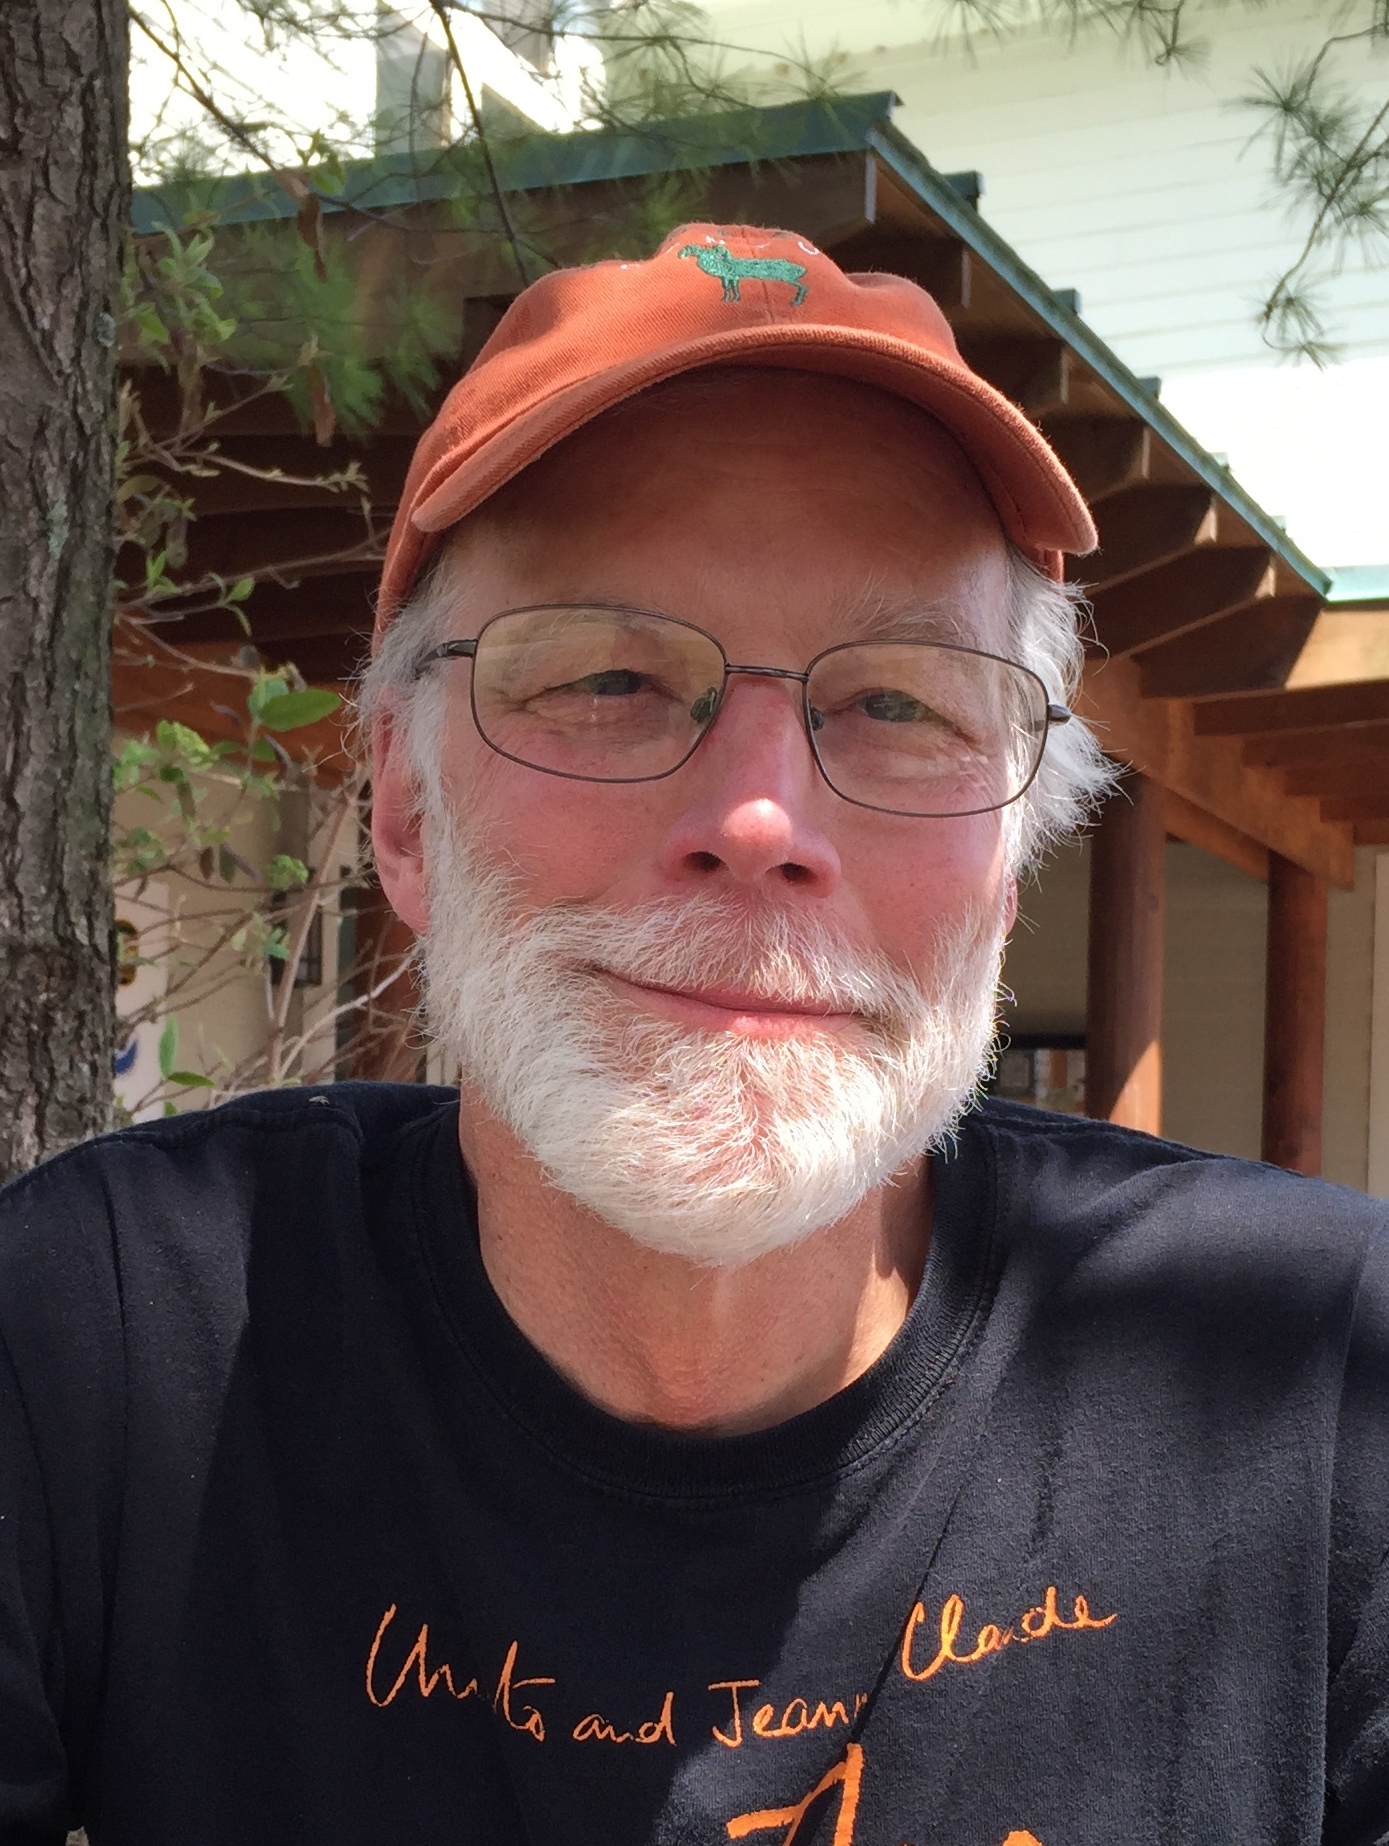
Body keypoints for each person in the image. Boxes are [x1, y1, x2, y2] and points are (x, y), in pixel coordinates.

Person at [0, 223, 1385, 1846]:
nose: (754, 815)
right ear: (399, 803)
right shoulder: (93, 1339)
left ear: (1009, 862)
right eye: (602, 675)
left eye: (896, 702)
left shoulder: (1327, 1383)